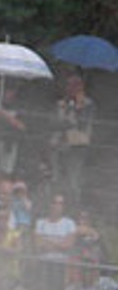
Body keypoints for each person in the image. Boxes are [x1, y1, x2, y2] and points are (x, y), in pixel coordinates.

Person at [54, 73, 96, 208]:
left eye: (72, 86)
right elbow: (58, 122)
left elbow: (83, 124)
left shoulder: (88, 104)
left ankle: (74, 207)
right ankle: (58, 204)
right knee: (58, 178)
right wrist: (65, 108)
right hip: (61, 145)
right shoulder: (63, 103)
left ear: (80, 87)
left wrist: (77, 107)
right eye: (68, 85)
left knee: (74, 179)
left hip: (78, 146)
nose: (69, 88)